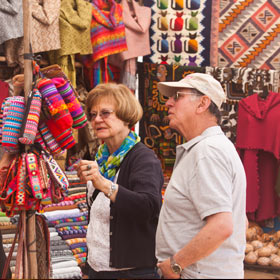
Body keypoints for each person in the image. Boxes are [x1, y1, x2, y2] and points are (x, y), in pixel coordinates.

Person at [156, 73, 247, 279]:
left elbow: (221, 225)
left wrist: (175, 265)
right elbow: (241, 220)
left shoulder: (208, 151)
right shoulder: (210, 148)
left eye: (177, 95)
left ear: (202, 103)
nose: (168, 103)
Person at [74, 82, 164, 279]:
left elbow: (149, 207)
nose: (97, 119)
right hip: (99, 268)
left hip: (130, 272)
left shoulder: (143, 158)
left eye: (105, 113)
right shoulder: (102, 157)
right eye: (92, 114)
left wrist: (103, 184)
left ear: (125, 116)